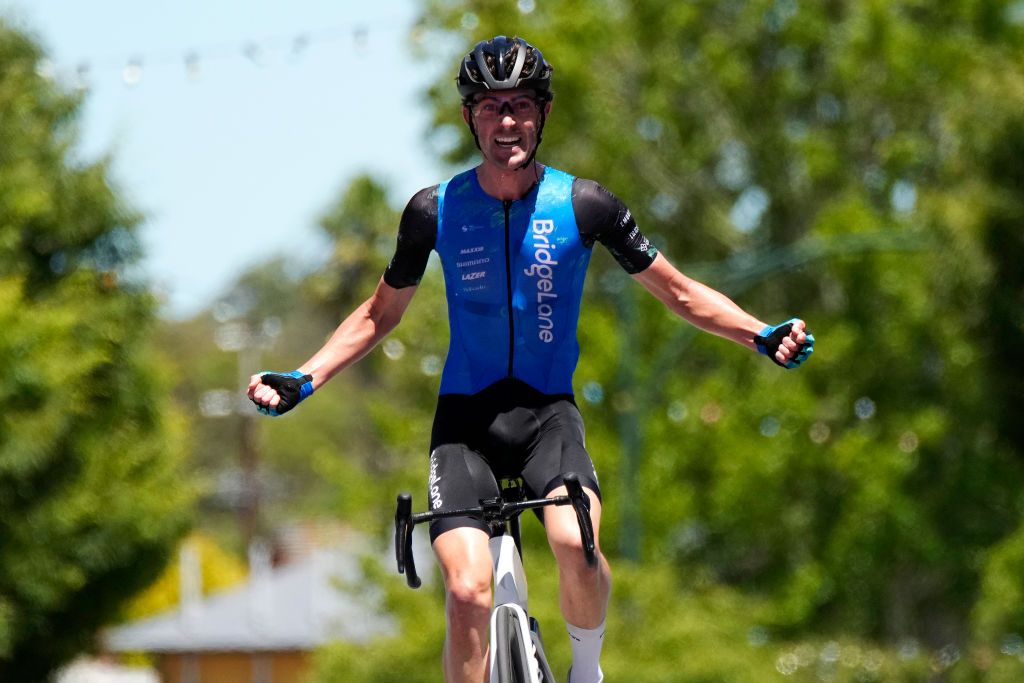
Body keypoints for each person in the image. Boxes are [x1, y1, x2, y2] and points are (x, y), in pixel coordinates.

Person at [248, 35, 814, 683]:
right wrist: (302, 379)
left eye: (520, 105)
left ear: (543, 114)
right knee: (466, 592)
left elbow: (679, 293)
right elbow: (380, 314)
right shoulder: (434, 212)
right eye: (490, 107)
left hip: (549, 418)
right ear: (469, 118)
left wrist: (760, 333)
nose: (507, 121)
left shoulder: (585, 205)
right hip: (465, 426)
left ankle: (587, 670)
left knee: (576, 543)